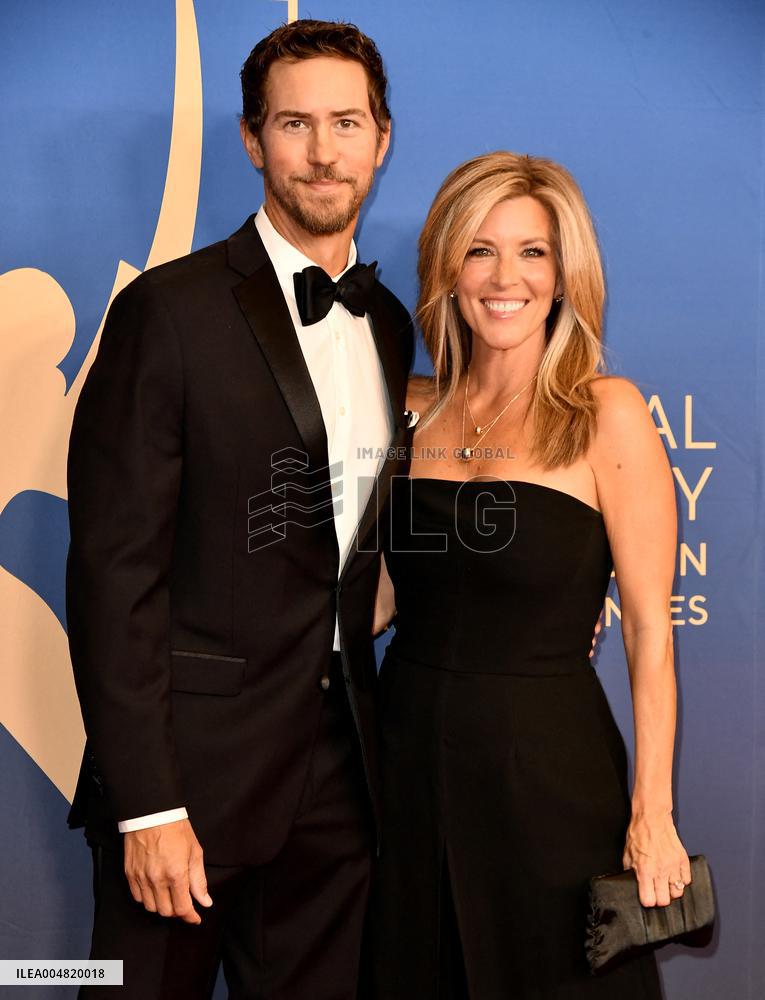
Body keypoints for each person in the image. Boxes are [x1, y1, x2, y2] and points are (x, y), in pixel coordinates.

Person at [66, 19, 412, 1000]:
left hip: (340, 783)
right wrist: (147, 807)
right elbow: (113, 570)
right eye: (294, 122)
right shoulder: (167, 313)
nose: (323, 149)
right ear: (254, 140)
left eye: (346, 121)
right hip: (187, 786)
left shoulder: (387, 324)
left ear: (382, 138)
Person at [369, 151, 690, 998]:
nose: (503, 276)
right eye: (478, 250)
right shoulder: (404, 409)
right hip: (405, 761)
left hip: (548, 771)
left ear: (563, 275)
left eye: (531, 252)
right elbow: (375, 600)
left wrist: (650, 814)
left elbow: (650, 632)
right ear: (445, 269)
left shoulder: (603, 413)